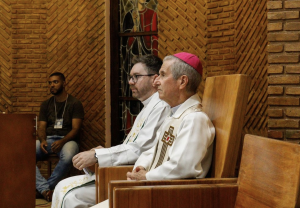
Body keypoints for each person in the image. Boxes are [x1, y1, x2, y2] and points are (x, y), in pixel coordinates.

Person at [95, 52, 215, 208]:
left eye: (163, 75)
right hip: (153, 190)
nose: (157, 81)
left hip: (169, 197)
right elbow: (154, 150)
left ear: (182, 81)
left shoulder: (194, 119)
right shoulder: (174, 115)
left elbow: (182, 167)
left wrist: (146, 176)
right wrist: (141, 167)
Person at [51, 55, 171, 208]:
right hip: (125, 170)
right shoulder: (148, 106)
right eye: (130, 77)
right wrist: (103, 152)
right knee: (62, 188)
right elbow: (135, 146)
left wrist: (97, 156)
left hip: (135, 175)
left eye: (136, 77)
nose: (130, 82)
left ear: (154, 79)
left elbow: (140, 149)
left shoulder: (161, 106)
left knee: (71, 196)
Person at [36, 72, 84, 202]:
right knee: (25, 153)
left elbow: (76, 129)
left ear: (64, 83)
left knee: (68, 156)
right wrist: (43, 140)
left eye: (55, 82)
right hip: (49, 139)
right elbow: (41, 127)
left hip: (68, 140)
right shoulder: (46, 104)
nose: (52, 85)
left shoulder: (75, 103)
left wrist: (62, 141)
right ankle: (45, 190)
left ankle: (45, 190)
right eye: (50, 83)